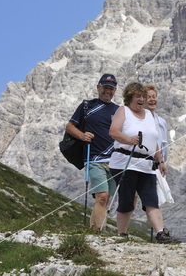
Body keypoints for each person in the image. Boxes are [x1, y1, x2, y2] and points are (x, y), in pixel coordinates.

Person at [109, 82, 174, 243]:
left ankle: (160, 233)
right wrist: (129, 140)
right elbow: (114, 131)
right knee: (127, 199)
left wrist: (160, 160)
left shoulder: (149, 115)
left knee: (151, 198)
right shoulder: (123, 111)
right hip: (125, 162)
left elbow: (154, 141)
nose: (142, 99)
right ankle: (122, 234)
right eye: (138, 96)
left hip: (146, 165)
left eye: (143, 96)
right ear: (129, 97)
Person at [65, 73, 119, 230]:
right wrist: (82, 135)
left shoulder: (119, 111)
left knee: (107, 198)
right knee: (101, 196)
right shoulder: (86, 106)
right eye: (105, 87)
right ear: (98, 87)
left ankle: (99, 231)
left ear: (115, 90)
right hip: (94, 158)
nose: (108, 91)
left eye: (111, 88)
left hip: (115, 160)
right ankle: (95, 232)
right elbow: (69, 126)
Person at [145, 85, 174, 206]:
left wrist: (162, 161)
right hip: (144, 163)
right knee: (136, 196)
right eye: (148, 97)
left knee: (157, 196)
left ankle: (156, 225)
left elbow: (164, 143)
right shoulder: (141, 119)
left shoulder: (161, 121)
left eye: (154, 96)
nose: (152, 99)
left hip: (158, 164)